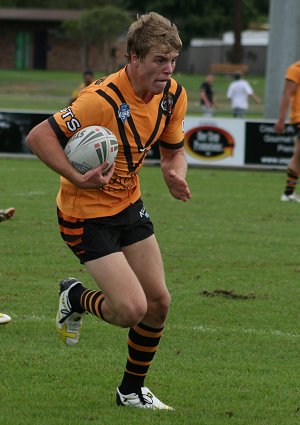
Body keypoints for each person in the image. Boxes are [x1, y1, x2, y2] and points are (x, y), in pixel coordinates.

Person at [26, 12, 191, 410]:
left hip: (128, 205)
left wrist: (174, 172)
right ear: (133, 57)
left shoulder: (172, 95)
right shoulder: (98, 101)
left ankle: (130, 391)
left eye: (171, 61)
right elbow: (39, 136)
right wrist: (76, 177)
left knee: (159, 302)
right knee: (130, 309)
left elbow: (174, 151)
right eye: (158, 60)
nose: (167, 70)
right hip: (85, 215)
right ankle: (76, 297)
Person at [275, 61, 300, 202]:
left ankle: (288, 193)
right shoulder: (295, 69)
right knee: (298, 156)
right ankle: (288, 193)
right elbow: (286, 94)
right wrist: (281, 119)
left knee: (298, 156)